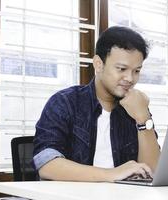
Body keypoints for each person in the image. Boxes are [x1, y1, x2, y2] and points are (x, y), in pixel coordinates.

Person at [33, 26, 160, 182]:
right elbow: (47, 165)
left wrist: (143, 118)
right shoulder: (65, 102)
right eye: (121, 69)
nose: (130, 78)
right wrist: (111, 174)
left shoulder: (136, 106)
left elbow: (152, 172)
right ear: (98, 64)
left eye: (136, 71)